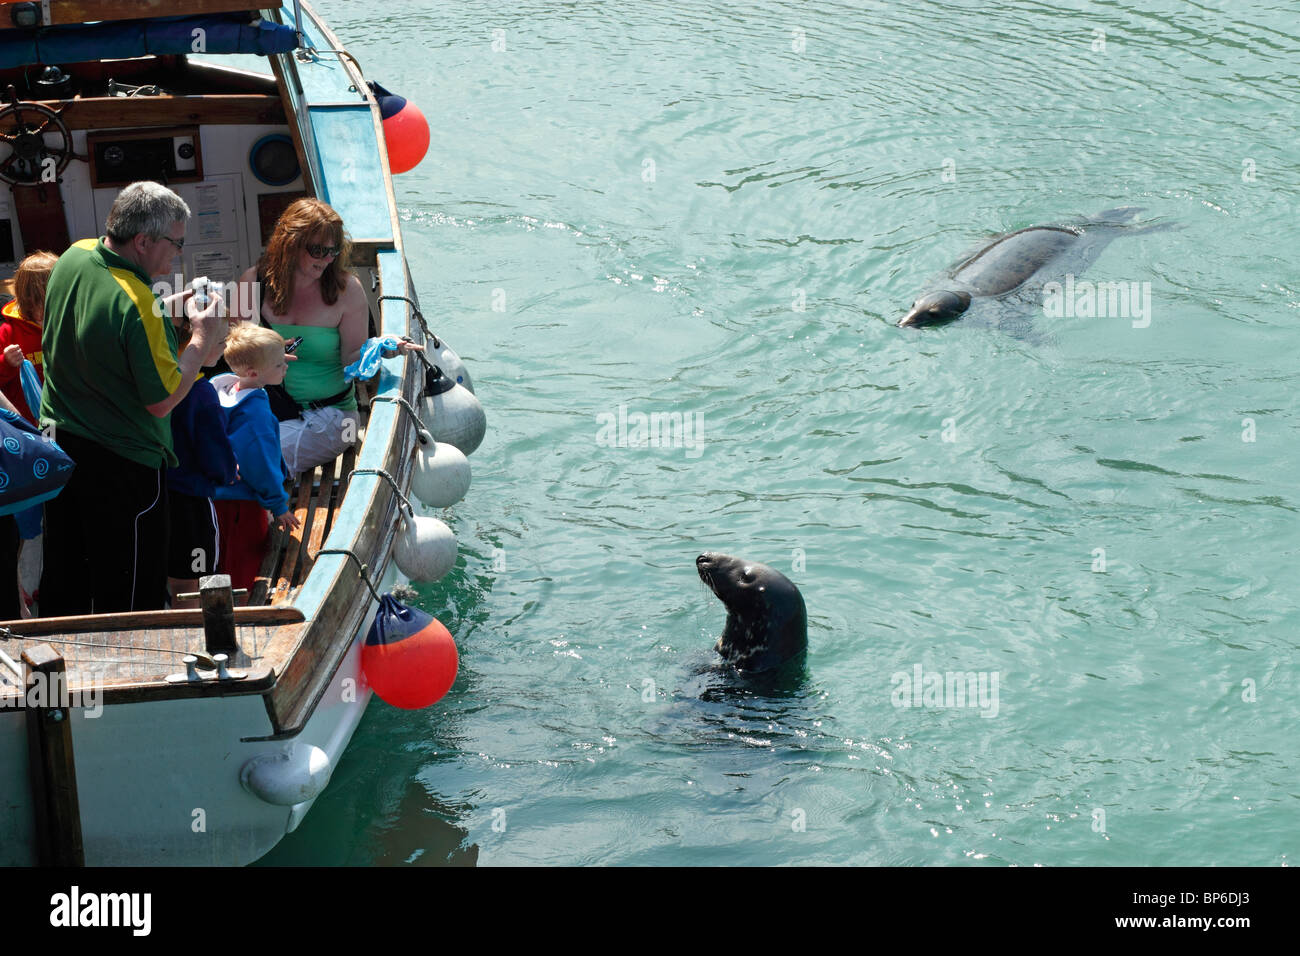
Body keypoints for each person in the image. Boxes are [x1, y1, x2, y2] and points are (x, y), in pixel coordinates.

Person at [38, 181, 225, 616]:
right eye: (175, 243)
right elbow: (161, 401)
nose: (177, 254)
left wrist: (160, 306)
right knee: (130, 588)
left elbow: (107, 312)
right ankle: (130, 672)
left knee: (67, 571)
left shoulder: (74, 256)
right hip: (124, 467)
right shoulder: (139, 305)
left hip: (63, 449)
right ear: (143, 241)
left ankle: (50, 671)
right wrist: (200, 339)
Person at [233, 198, 420, 475]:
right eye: (317, 250)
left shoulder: (348, 291)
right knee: (215, 450)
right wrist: (263, 352)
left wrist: (384, 348)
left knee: (246, 459)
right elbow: (237, 353)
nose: (326, 259)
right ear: (289, 244)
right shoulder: (253, 282)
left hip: (330, 417)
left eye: (333, 251)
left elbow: (352, 359)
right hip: (266, 409)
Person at [210, 325, 300, 601]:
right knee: (244, 558)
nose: (285, 365)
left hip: (218, 494)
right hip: (241, 500)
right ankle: (241, 609)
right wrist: (277, 503)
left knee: (222, 551)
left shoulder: (224, 390)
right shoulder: (253, 414)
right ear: (253, 373)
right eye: (278, 363)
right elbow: (259, 462)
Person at [166, 329, 239, 609]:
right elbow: (214, 450)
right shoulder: (202, 394)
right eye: (220, 341)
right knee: (194, 579)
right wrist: (229, 471)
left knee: (172, 575)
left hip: (157, 491)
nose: (224, 347)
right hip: (191, 501)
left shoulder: (157, 382)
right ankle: (190, 639)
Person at [0, 251, 58, 423]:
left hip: (68, 419)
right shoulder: (9, 332)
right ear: (30, 299)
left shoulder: (65, 324)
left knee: (64, 448)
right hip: (31, 423)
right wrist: (6, 362)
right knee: (48, 447)